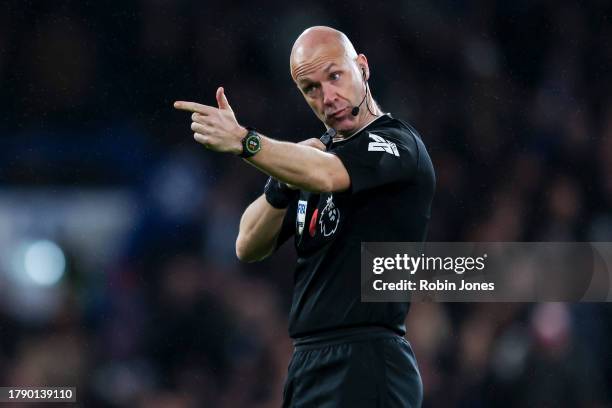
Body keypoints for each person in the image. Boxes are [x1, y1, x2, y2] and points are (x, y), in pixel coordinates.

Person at [174, 26, 434, 407]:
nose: (328, 97)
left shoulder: (397, 142)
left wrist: (247, 142)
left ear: (362, 67)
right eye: (311, 88)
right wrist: (282, 181)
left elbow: (328, 174)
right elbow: (247, 244)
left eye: (334, 76)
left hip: (367, 359)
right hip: (308, 363)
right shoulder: (311, 160)